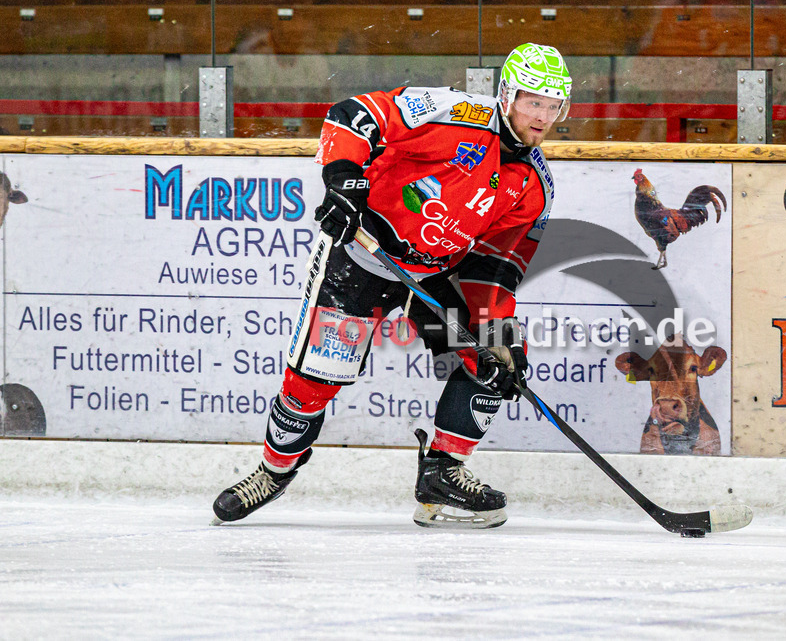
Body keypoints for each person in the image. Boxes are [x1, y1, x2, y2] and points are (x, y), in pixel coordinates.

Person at [212, 43, 572, 529]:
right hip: (362, 255)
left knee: (493, 358)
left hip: (434, 274)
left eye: (553, 106)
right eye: (533, 102)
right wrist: (343, 179)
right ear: (507, 96)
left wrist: (497, 330)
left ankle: (443, 472)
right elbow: (353, 115)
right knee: (312, 383)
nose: (542, 116)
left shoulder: (535, 185)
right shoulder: (456, 113)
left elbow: (494, 270)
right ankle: (273, 471)